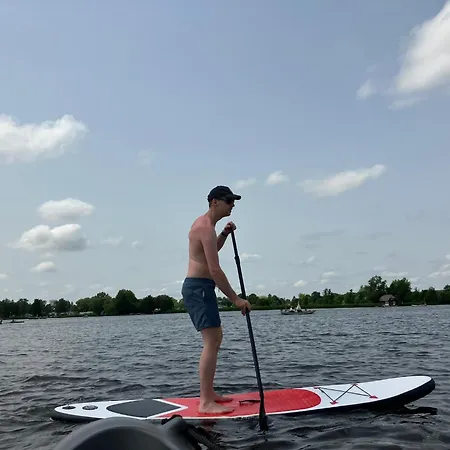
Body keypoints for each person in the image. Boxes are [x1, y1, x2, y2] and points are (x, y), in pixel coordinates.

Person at [181, 185, 252, 414]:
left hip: (201, 288)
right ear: (215, 202)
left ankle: (209, 394)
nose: (232, 205)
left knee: (215, 339)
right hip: (199, 288)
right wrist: (236, 299)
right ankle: (205, 402)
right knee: (211, 342)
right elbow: (214, 270)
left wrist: (224, 234)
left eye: (233, 201)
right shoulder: (204, 227)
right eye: (229, 201)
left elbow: (210, 251)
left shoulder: (207, 227)